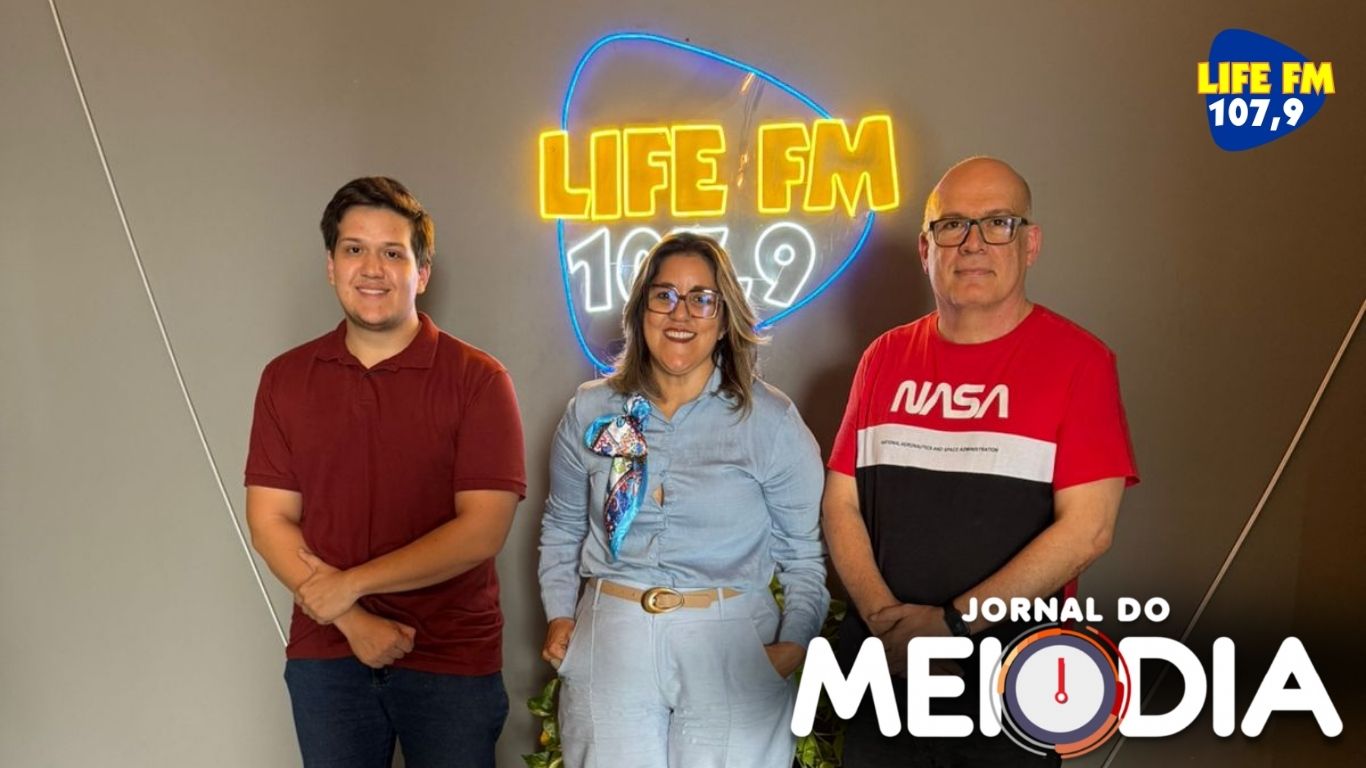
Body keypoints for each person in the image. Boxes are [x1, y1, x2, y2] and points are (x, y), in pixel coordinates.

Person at [823, 157, 1139, 766]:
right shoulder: (884, 357)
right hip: (885, 673)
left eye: (998, 223)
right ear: (925, 247)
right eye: (952, 226)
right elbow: (841, 502)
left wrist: (949, 626)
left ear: (1031, 243)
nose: (972, 244)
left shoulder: (1081, 361)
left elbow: (1089, 530)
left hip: (1009, 677)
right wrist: (887, 621)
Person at [244, 177, 525, 768]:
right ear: (330, 265)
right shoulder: (285, 379)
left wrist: (353, 583)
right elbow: (270, 519)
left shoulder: (479, 380)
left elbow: (482, 530)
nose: (372, 267)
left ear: (422, 272)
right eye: (354, 249)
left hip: (451, 660)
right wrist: (350, 616)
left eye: (392, 252)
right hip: (327, 656)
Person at [538, 232, 828, 767]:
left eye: (702, 298)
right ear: (640, 308)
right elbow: (561, 526)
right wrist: (560, 615)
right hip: (613, 632)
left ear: (723, 319)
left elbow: (804, 555)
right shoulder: (589, 409)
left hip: (731, 636)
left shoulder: (771, 420)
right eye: (664, 294)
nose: (681, 313)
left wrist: (792, 646)